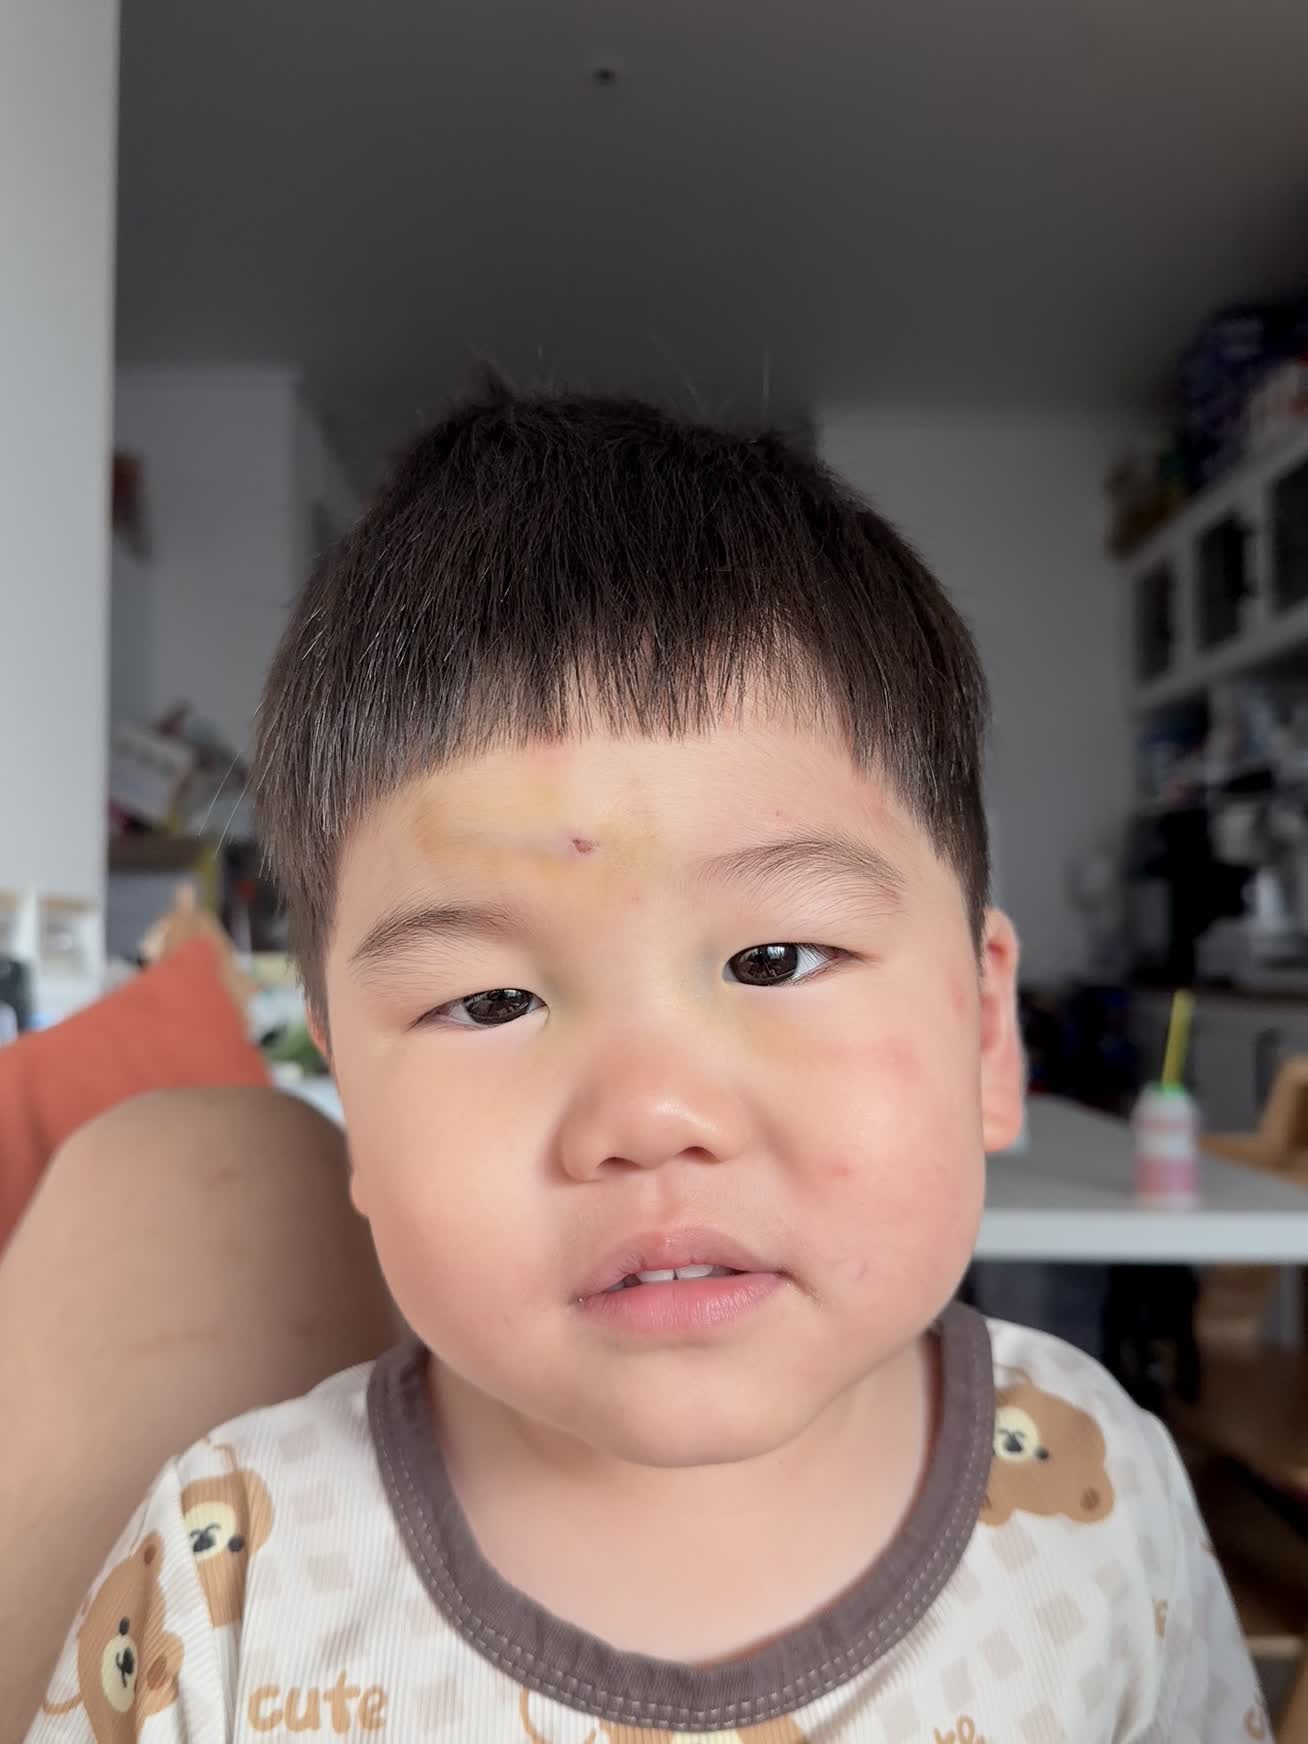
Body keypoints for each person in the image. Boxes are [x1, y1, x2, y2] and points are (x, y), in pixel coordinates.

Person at [24, 391, 1262, 1742]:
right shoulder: (228, 1582)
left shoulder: (1099, 1493)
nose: (652, 1114)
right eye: (489, 1000)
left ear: (982, 1031)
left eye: (775, 959)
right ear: (356, 1113)